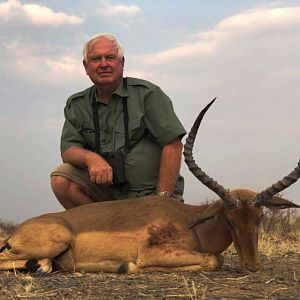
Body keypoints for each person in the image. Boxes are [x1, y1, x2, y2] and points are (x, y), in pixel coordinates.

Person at [50, 33, 186, 209]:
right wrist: (92, 159)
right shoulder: (77, 104)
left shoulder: (147, 94)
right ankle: (103, 229)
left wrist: (162, 198)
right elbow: (68, 150)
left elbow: (173, 145)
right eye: (96, 59)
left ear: (122, 63)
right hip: (107, 196)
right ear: (86, 66)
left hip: (150, 195)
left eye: (110, 58)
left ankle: (157, 207)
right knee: (61, 180)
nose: (104, 64)